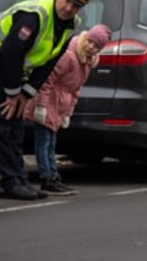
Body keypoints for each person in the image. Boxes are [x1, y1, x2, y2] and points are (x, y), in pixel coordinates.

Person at [0, 0, 95, 200]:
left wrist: (26, 93)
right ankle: (6, 182)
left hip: (14, 69)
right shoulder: (36, 15)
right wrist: (12, 94)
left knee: (16, 124)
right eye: (67, 0)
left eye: (76, 5)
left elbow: (49, 62)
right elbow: (11, 51)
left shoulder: (70, 25)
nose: (69, 8)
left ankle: (18, 179)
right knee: (3, 117)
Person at [23, 24, 111, 196]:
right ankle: (46, 178)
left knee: (51, 142)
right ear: (85, 38)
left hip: (59, 106)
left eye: (96, 46)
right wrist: (40, 105)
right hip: (48, 102)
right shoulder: (70, 56)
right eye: (90, 42)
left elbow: (75, 89)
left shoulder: (86, 62)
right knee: (44, 141)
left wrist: (68, 113)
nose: (91, 47)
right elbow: (46, 80)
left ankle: (53, 176)